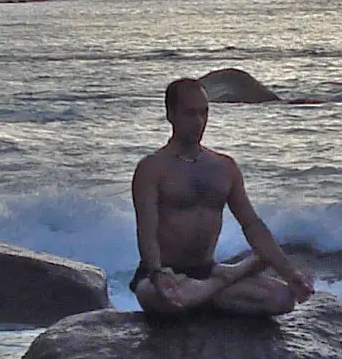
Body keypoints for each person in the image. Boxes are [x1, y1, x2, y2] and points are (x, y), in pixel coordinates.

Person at [130, 77, 316, 316]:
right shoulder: (152, 168)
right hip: (163, 275)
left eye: (204, 113)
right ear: (171, 114)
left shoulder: (224, 167)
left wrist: (290, 273)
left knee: (282, 299)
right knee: (168, 299)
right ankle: (232, 276)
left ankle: (207, 291)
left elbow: (251, 224)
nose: (199, 122)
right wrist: (157, 273)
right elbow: (146, 232)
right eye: (190, 114)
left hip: (207, 270)